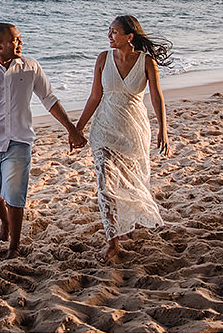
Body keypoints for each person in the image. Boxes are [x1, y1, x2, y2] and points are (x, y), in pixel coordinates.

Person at [0, 23, 86, 259]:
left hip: (20, 140)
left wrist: (71, 128)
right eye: (14, 41)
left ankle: (14, 246)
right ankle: (6, 222)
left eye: (20, 39)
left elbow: (49, 98)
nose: (20, 43)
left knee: (16, 196)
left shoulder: (30, 67)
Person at [75, 15, 172, 262]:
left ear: (129, 36)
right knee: (106, 185)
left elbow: (157, 97)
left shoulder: (147, 62)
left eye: (114, 32)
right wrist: (78, 129)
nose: (109, 35)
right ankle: (113, 242)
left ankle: (125, 227)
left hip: (133, 130)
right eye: (109, 31)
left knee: (129, 181)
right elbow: (95, 96)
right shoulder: (102, 59)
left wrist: (163, 128)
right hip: (104, 129)